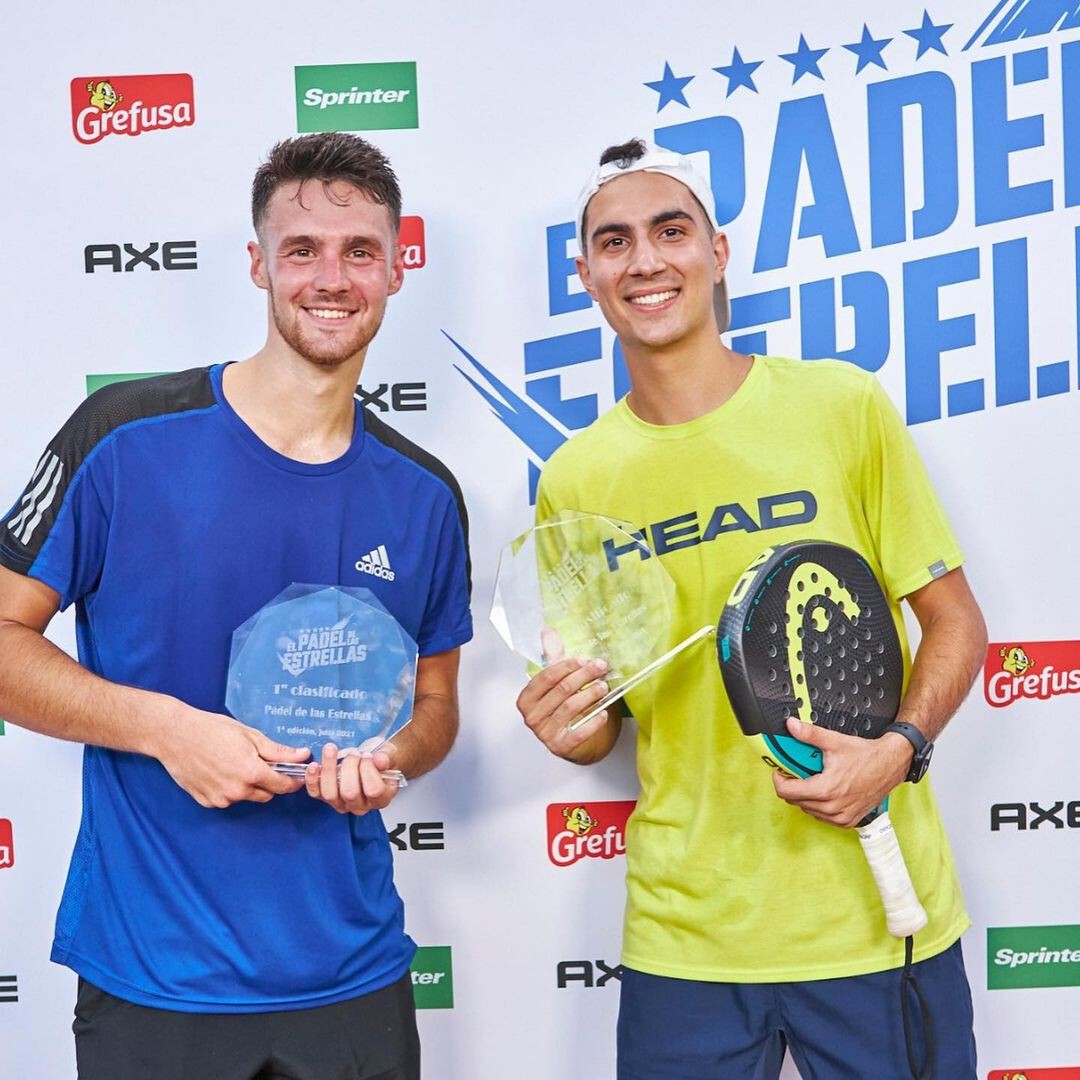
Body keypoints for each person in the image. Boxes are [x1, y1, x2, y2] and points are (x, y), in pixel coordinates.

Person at [0, 132, 472, 1080]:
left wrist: (391, 761)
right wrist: (166, 729)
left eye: (359, 252)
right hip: (154, 982)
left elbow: (435, 709)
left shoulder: (426, 494)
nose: (330, 277)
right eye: (302, 250)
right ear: (258, 264)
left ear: (395, 269)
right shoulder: (124, 437)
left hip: (355, 978)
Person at [516, 138, 986, 1079]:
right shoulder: (575, 476)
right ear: (585, 275)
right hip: (685, 937)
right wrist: (570, 731)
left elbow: (957, 623)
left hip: (872, 915)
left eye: (670, 231)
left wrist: (896, 752)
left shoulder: (838, 408)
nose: (644, 261)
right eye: (613, 243)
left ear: (718, 252)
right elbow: (606, 720)